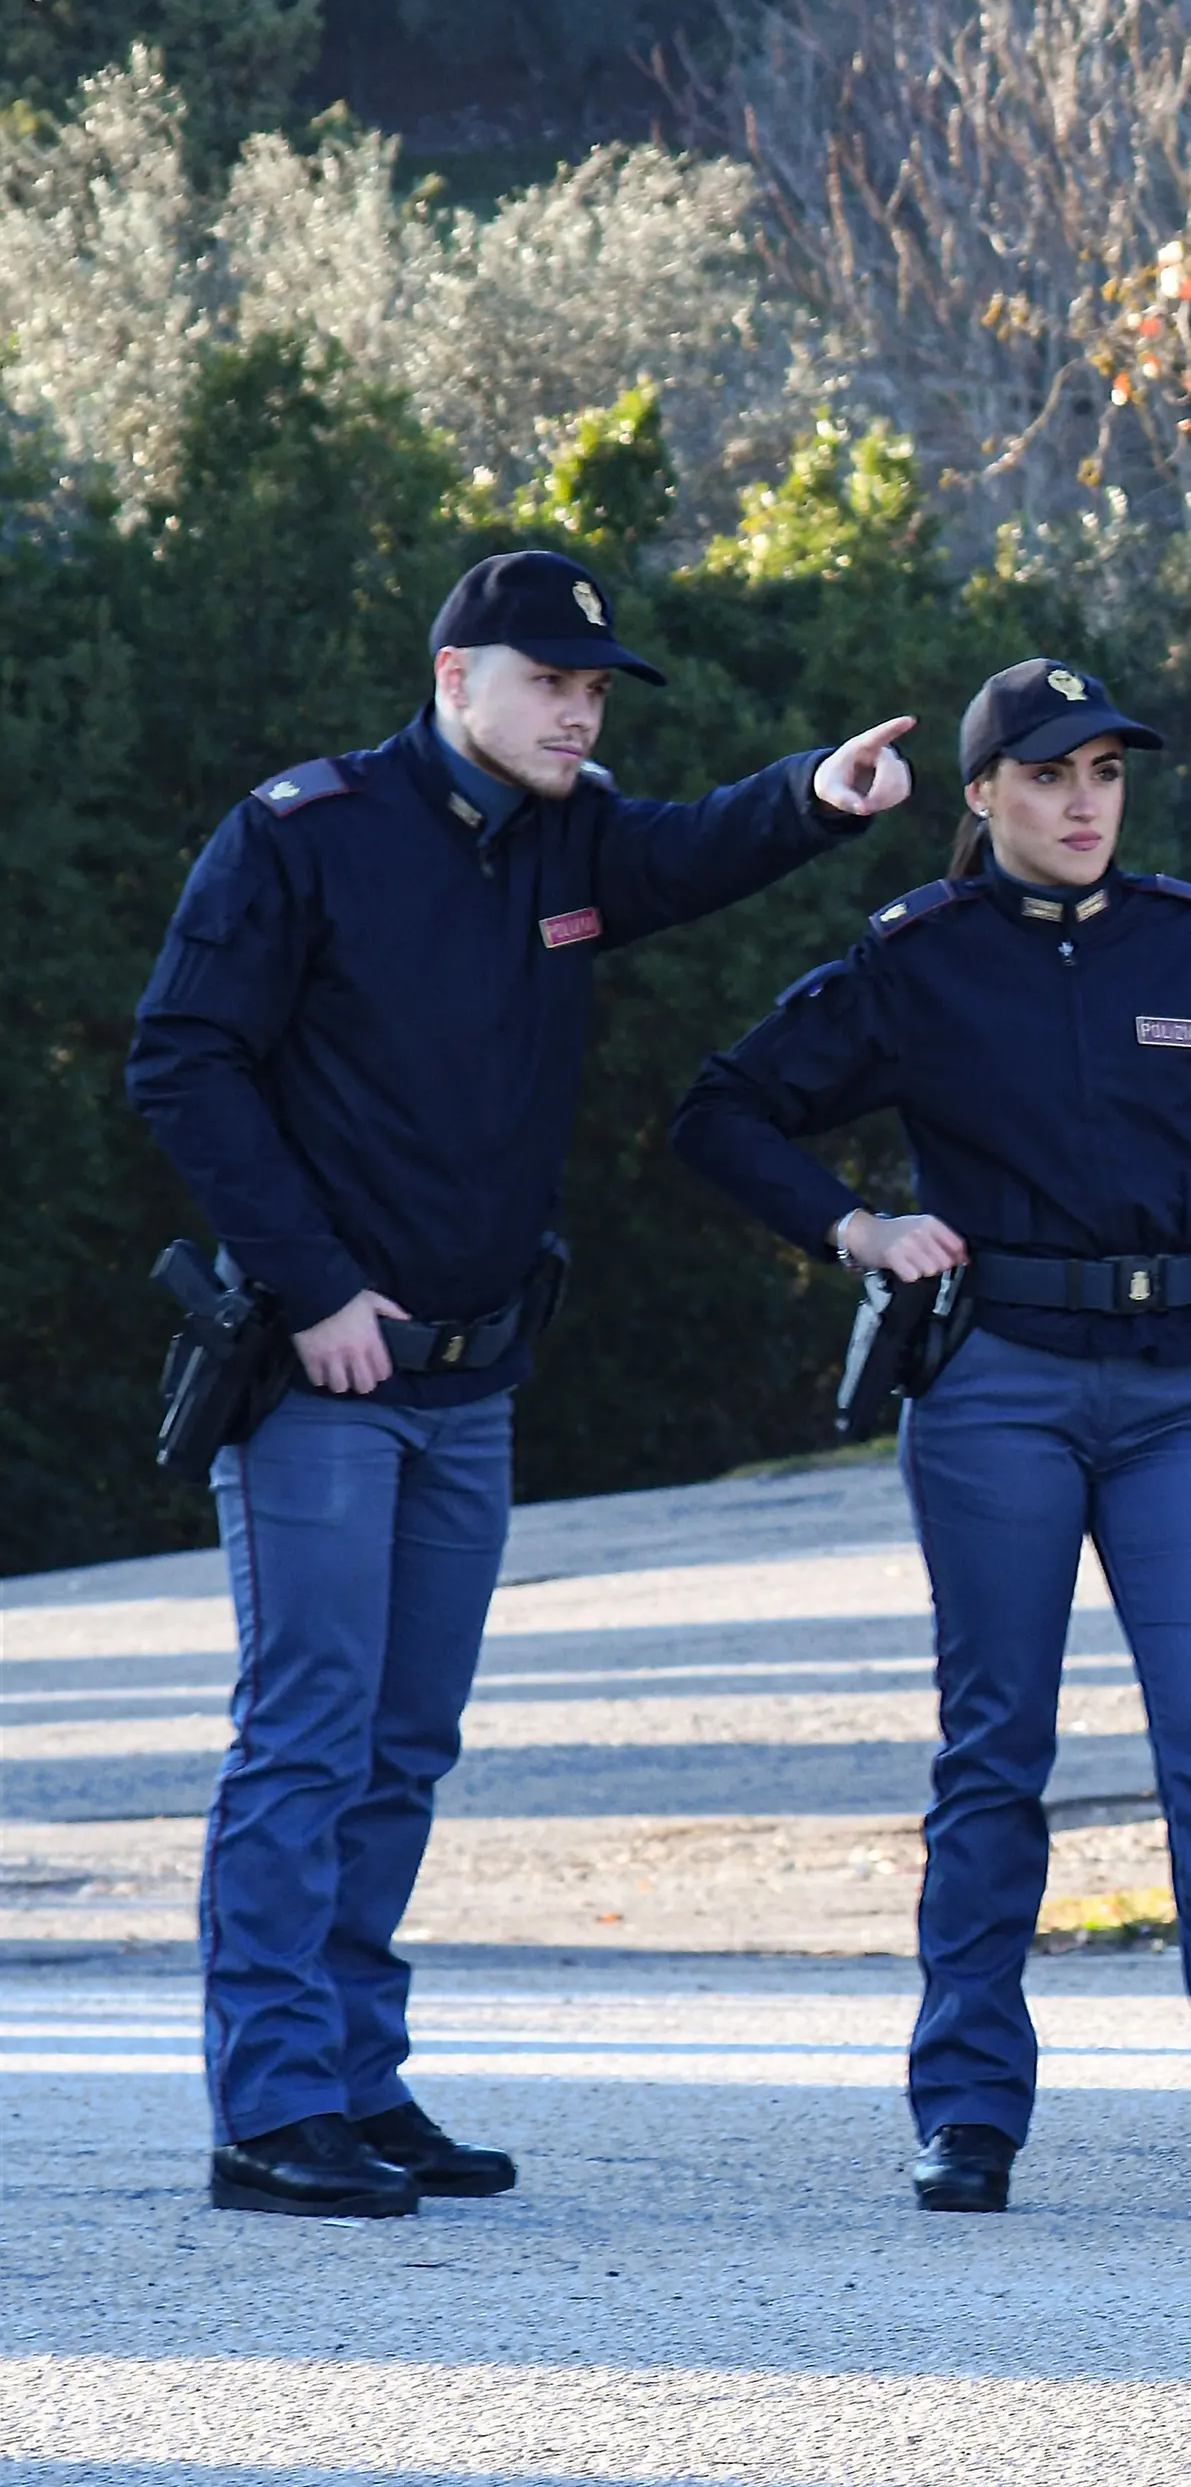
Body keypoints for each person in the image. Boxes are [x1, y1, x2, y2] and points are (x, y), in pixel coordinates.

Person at [129, 549, 917, 2220]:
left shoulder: (568, 833)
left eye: (594, 688)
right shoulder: (303, 832)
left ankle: (354, 2076)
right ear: (452, 680)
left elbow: (688, 850)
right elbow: (180, 1059)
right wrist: (316, 1282)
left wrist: (819, 795)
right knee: (308, 1737)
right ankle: (270, 2108)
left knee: (405, 1743)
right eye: (550, 681)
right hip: (323, 1377)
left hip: (473, 1379)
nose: (578, 709)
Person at [670, 658, 1191, 2226]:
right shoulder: (918, 959)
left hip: (1189, 1390)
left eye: (1106, 776)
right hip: (997, 1387)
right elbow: (720, 1110)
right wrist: (858, 1225)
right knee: (997, 1757)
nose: (1082, 804)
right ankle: (969, 2116)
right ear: (982, 795)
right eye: (1050, 776)